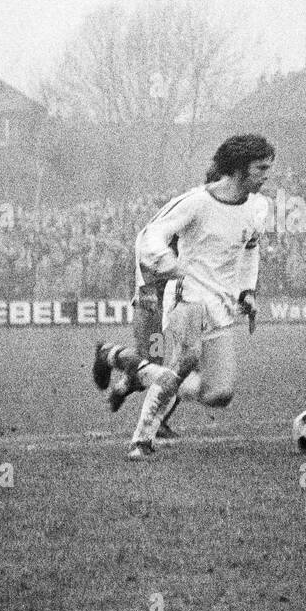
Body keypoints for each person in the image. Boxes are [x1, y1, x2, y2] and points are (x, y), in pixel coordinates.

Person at [92, 135, 274, 460]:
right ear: (237, 169)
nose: (266, 175)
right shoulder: (195, 203)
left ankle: (120, 360)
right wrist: (166, 272)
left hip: (218, 306)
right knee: (169, 361)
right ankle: (142, 439)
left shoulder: (258, 207)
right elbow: (149, 238)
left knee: (218, 393)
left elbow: (250, 248)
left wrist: (247, 291)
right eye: (261, 168)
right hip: (176, 297)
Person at [93, 163, 223, 446]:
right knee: (152, 364)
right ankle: (108, 354)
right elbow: (147, 240)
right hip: (156, 297)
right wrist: (147, 287)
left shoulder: (221, 219)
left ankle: (149, 409)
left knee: (187, 363)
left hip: (183, 299)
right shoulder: (189, 210)